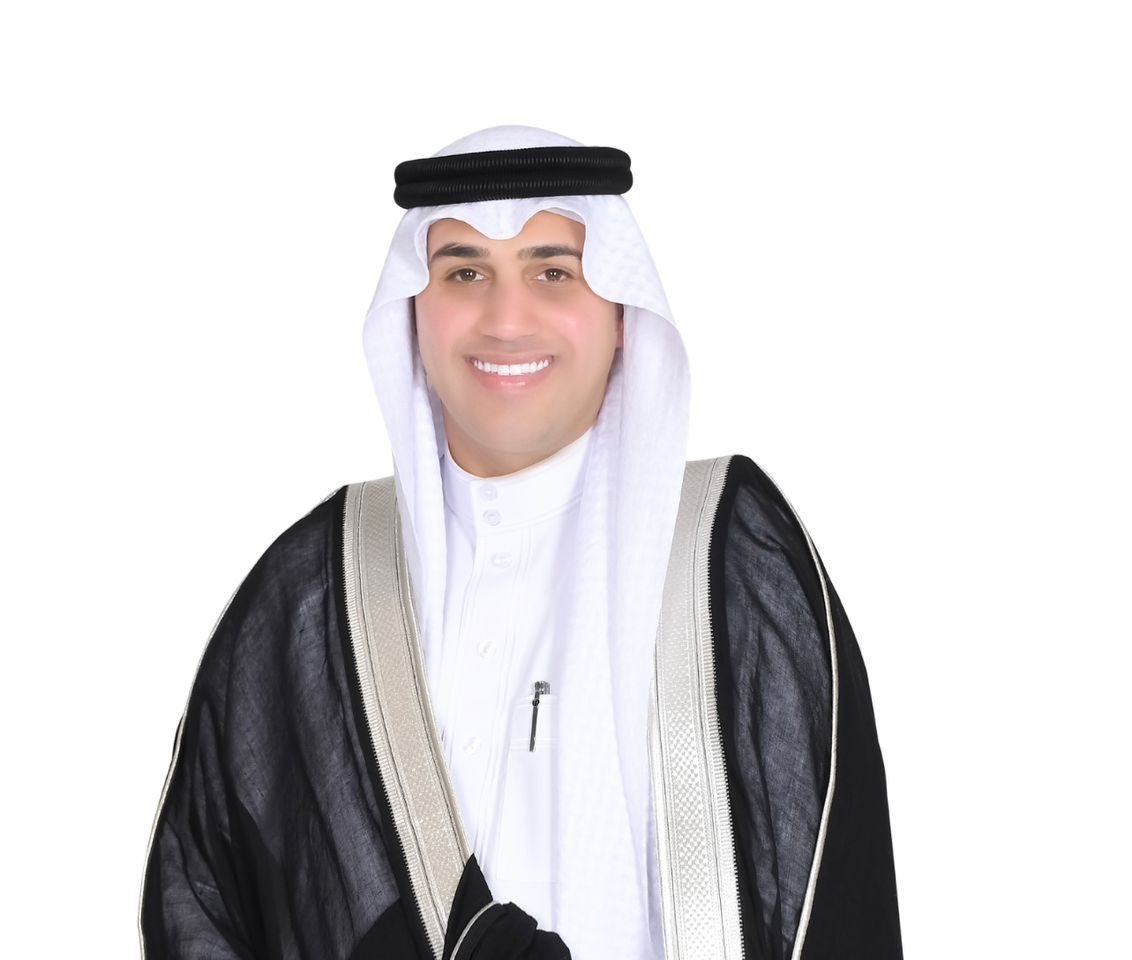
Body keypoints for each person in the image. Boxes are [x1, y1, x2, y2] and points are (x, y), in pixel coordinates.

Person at [140, 125, 903, 960]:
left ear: (620, 313)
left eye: (553, 272)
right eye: (464, 273)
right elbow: (203, 894)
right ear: (414, 313)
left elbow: (837, 898)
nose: (507, 320)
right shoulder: (317, 585)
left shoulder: (729, 555)